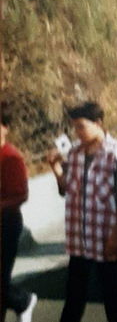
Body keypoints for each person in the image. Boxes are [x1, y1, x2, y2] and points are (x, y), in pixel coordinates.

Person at [47, 102, 117, 322]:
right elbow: (67, 188)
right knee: (74, 295)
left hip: (106, 235)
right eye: (75, 128)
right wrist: (56, 169)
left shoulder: (116, 155)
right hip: (80, 238)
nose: (78, 133)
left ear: (99, 124)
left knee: (112, 295)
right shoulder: (75, 154)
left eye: (82, 127)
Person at [1, 110, 37, 322]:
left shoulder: (11, 157)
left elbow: (21, 195)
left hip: (6, 223)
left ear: (5, 128)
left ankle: (22, 300)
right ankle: (21, 301)